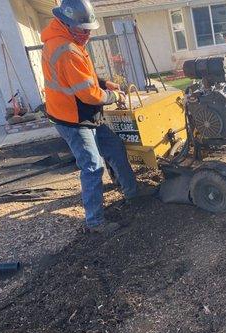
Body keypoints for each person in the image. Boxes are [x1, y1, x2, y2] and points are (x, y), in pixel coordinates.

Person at [42, 0, 144, 234]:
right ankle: (95, 222)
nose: (88, 33)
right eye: (83, 29)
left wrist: (103, 83)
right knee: (92, 166)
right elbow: (88, 95)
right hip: (73, 118)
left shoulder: (70, 42)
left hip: (84, 114)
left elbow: (82, 78)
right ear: (67, 23)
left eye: (89, 28)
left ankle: (133, 194)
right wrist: (112, 95)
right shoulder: (65, 48)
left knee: (115, 149)